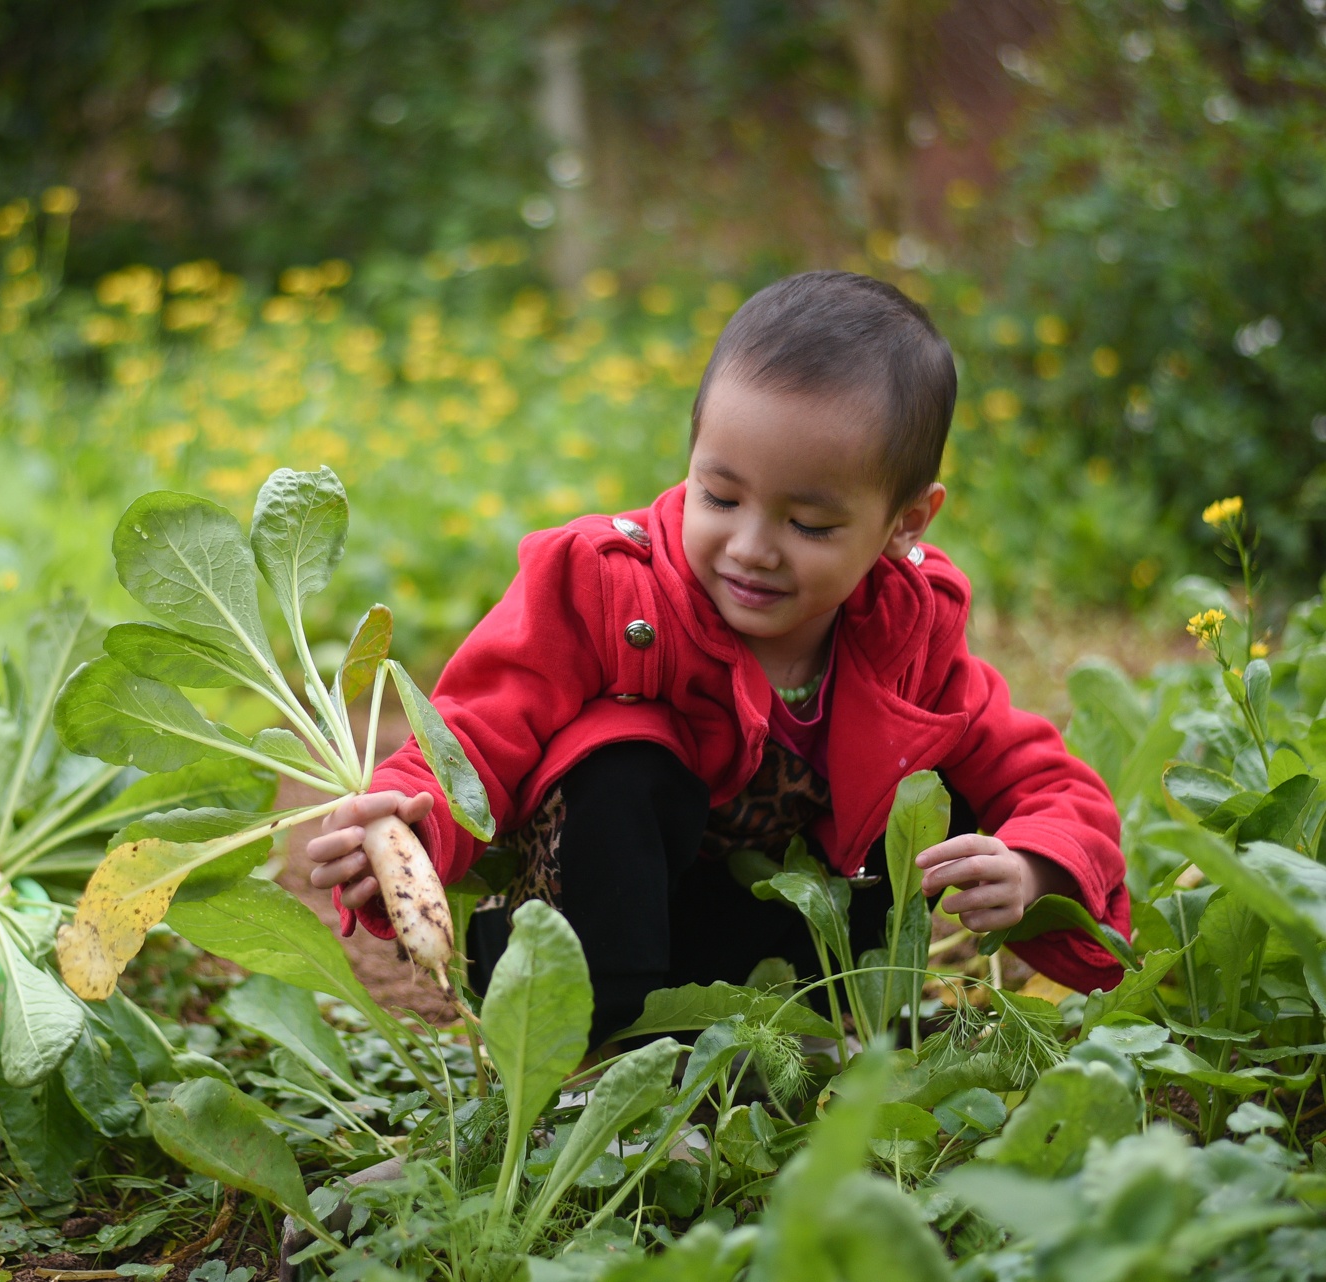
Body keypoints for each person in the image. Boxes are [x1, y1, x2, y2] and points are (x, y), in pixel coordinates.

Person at [306, 270, 1128, 1048]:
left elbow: (1047, 782)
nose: (751, 548)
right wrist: (405, 823)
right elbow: (476, 731)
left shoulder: (906, 636)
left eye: (809, 525)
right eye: (721, 497)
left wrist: (1033, 868)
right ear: (692, 461)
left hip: (778, 958)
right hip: (580, 935)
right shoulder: (608, 589)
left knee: (926, 771)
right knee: (623, 751)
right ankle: (599, 1061)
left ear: (907, 522)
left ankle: (818, 1022)